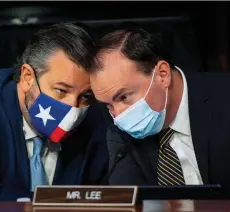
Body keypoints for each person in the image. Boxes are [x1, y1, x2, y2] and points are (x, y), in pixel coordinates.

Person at [0, 23, 108, 202]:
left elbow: (105, 198)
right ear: (27, 78)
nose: (73, 108)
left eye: (84, 96)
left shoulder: (96, 118)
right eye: (61, 91)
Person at [88, 27, 230, 197]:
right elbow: (129, 197)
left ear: (162, 75)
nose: (117, 116)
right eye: (108, 105)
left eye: (124, 97)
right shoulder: (118, 129)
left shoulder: (223, 99)